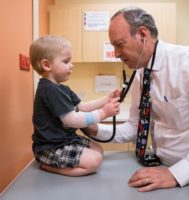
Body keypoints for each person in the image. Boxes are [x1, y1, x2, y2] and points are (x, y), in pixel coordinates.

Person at [82, 7, 189, 192]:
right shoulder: (140, 74)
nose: (115, 54)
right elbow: (134, 127)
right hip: (160, 167)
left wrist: (176, 174)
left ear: (142, 34)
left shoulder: (185, 64)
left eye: (119, 44)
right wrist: (90, 126)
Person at [29, 35, 120, 177]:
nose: (72, 65)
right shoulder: (48, 89)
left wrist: (106, 99)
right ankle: (50, 167)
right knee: (95, 161)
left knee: (98, 150)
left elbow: (82, 107)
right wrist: (103, 113)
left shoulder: (62, 88)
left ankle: (56, 164)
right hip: (50, 147)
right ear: (47, 65)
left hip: (65, 141)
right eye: (66, 61)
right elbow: (70, 120)